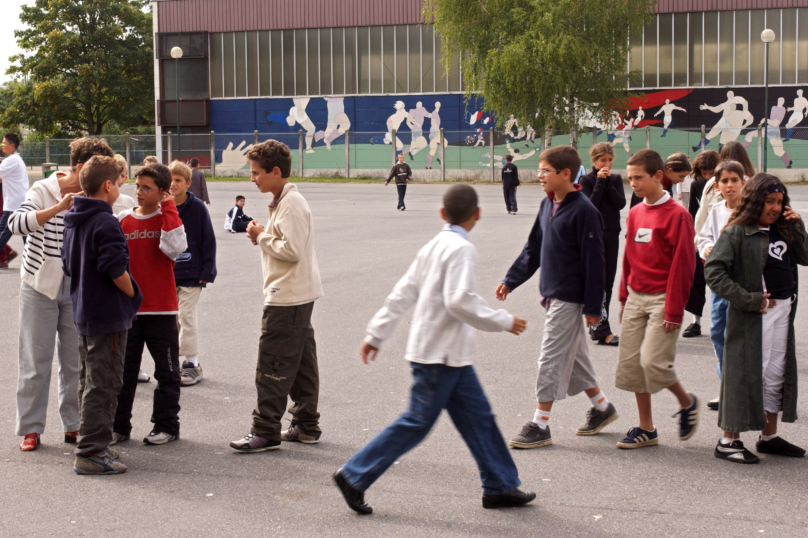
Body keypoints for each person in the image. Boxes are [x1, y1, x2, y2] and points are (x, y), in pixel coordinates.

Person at [333, 184, 535, 514]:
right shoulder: (462, 250)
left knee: (479, 418)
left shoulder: (434, 246)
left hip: (446, 355)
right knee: (417, 421)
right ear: (478, 214)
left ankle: (500, 484)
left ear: (442, 214)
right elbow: (459, 301)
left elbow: (402, 293)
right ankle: (354, 475)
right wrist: (502, 320)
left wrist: (376, 333)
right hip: (439, 356)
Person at [497, 146, 618, 449]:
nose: (539, 175)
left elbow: (595, 262)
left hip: (570, 296)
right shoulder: (547, 204)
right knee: (575, 355)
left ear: (566, 174)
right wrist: (510, 280)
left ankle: (540, 424)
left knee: (550, 355)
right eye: (539, 170)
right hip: (552, 293)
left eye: (545, 170)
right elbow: (533, 249)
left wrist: (594, 307)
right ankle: (603, 408)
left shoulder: (585, 211)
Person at [9, 137, 114, 451]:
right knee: (34, 361)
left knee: (75, 362)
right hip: (39, 285)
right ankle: (31, 428)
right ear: (81, 168)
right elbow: (15, 224)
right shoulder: (42, 190)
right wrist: (57, 208)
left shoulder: (94, 195)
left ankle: (73, 425)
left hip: (77, 287)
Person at [705, 174, 808, 463]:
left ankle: (769, 437)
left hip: (783, 313)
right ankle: (728, 441)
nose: (775, 207)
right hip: (754, 315)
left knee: (776, 374)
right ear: (753, 201)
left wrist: (796, 224)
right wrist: (747, 299)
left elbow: (805, 256)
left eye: (779, 202)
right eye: (769, 201)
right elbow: (713, 272)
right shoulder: (736, 232)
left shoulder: (784, 229)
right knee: (745, 375)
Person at [229, 140, 324, 452]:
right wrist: (266, 237)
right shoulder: (283, 201)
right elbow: (285, 243)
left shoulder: (292, 204)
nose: (252, 178)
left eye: (256, 172)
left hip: (287, 296)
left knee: (272, 362)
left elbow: (292, 250)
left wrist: (261, 236)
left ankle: (266, 429)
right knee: (300, 364)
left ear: (276, 172)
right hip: (295, 294)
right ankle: (306, 425)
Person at [61, 155, 142, 474]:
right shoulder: (105, 220)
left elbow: (68, 264)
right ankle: (92, 451)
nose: (122, 186)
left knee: (89, 380)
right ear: (107, 185)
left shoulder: (73, 216)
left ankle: (95, 443)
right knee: (105, 382)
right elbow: (114, 267)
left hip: (84, 311)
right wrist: (134, 293)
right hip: (107, 314)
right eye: (120, 181)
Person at [615, 149, 698, 449]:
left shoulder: (678, 216)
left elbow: (684, 266)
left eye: (638, 178)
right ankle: (646, 428)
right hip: (637, 296)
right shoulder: (636, 212)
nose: (633, 183)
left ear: (658, 176)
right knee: (633, 366)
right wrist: (624, 297)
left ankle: (686, 402)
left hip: (664, 298)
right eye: (630, 177)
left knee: (653, 363)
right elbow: (629, 258)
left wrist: (674, 310)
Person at [112, 163, 187, 446]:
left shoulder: (167, 218)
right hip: (129, 311)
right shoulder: (123, 219)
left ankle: (166, 425)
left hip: (161, 310)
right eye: (138, 186)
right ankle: (119, 427)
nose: (140, 192)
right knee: (123, 373)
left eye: (147, 188)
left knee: (167, 372)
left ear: (162, 192)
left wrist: (169, 208)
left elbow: (175, 247)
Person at [696, 160, 746, 412]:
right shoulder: (716, 210)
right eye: (724, 181)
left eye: (734, 180)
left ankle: (746, 389)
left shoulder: (752, 211)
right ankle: (725, 385)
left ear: (743, 183)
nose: (729, 186)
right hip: (719, 283)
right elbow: (703, 236)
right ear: (716, 185)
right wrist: (704, 246)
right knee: (718, 332)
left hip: (745, 284)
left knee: (744, 336)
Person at [169, 160, 217, 386]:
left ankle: (191, 363)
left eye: (178, 180)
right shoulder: (161, 207)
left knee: (185, 314)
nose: (173, 184)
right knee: (172, 320)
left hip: (192, 273)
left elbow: (208, 239)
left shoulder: (197, 207)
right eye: (170, 180)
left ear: (188, 183)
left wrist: (208, 269)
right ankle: (173, 363)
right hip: (169, 273)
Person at [579, 142, 627, 346]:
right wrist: (599, 182)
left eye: (609, 160)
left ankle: (597, 327)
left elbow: (620, 203)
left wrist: (607, 182)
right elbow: (590, 205)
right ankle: (602, 330)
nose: (606, 164)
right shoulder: (586, 179)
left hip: (612, 235)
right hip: (593, 236)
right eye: (602, 160)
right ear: (594, 161)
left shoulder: (615, 179)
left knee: (607, 281)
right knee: (597, 281)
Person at [681, 150, 720, 338]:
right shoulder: (697, 185)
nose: (708, 177)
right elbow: (693, 213)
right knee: (697, 279)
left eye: (711, 172)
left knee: (721, 280)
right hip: (702, 238)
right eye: (704, 173)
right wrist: (692, 239)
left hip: (722, 238)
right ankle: (695, 322)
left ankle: (723, 320)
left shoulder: (725, 183)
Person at [0, 133, 29, 269]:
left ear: (12, 146)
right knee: (24, 232)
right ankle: (33, 259)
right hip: (20, 201)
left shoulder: (10, 161)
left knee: (3, 231)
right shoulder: (16, 160)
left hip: (14, 204)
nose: (2, 145)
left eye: (4, 143)